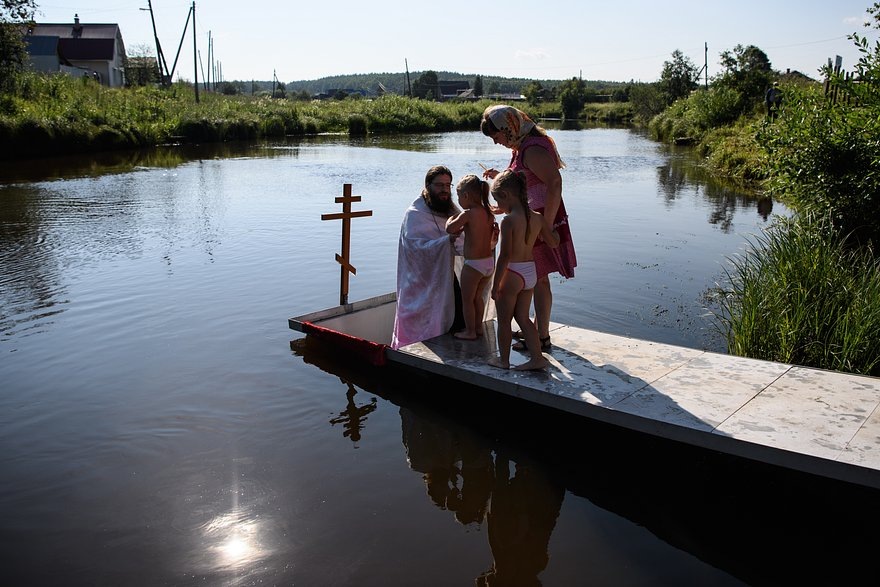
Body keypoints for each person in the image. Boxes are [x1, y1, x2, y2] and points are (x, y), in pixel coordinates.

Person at [480, 105, 576, 353]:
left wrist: (545, 225)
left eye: (496, 136)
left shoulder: (531, 147)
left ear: (508, 127)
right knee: (537, 279)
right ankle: (535, 329)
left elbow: (554, 182)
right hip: (533, 218)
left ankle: (542, 337)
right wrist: (502, 189)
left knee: (540, 280)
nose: (496, 142)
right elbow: (527, 181)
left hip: (541, 219)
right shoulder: (521, 146)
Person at [488, 170, 559, 371]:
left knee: (504, 320)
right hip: (530, 273)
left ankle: (503, 361)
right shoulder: (537, 217)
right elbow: (553, 242)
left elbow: (505, 256)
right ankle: (537, 358)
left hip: (513, 274)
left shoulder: (509, 221)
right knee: (523, 317)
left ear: (506, 195)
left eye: (497, 200)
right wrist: (558, 235)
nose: (498, 206)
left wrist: (495, 285)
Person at [391, 165, 463, 349]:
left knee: (457, 307)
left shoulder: (450, 209)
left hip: (444, 273)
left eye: (448, 185)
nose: (445, 190)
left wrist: (486, 239)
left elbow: (464, 239)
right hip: (420, 280)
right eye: (439, 185)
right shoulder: (415, 214)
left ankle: (453, 345)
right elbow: (415, 248)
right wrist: (445, 242)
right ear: (428, 185)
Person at [445, 174, 498, 340]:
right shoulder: (488, 213)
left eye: (458, 196)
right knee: (478, 298)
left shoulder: (467, 214)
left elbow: (450, 229)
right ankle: (478, 328)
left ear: (466, 196)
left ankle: (470, 331)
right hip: (488, 264)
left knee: (467, 300)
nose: (458, 200)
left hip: (473, 265)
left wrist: (450, 220)